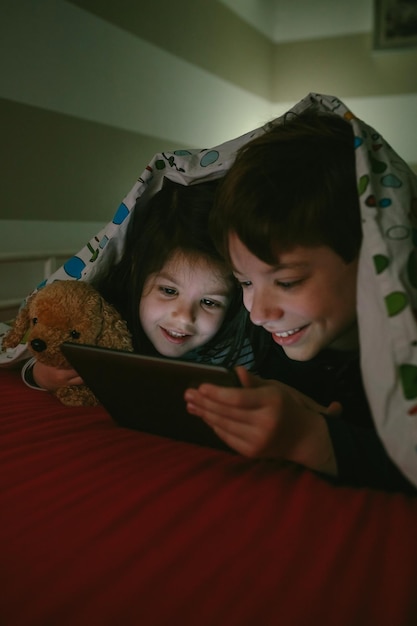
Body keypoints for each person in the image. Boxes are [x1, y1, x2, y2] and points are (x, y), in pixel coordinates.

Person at [184, 111, 417, 494]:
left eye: (287, 282)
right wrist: (48, 370)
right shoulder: (253, 339)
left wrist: (314, 439)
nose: (258, 313)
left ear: (374, 253)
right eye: (244, 281)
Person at [24, 179, 253, 392]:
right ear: (137, 273)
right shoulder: (103, 321)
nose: (184, 317)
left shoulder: (233, 350)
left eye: (209, 302)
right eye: (169, 291)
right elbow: (39, 354)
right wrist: (38, 374)